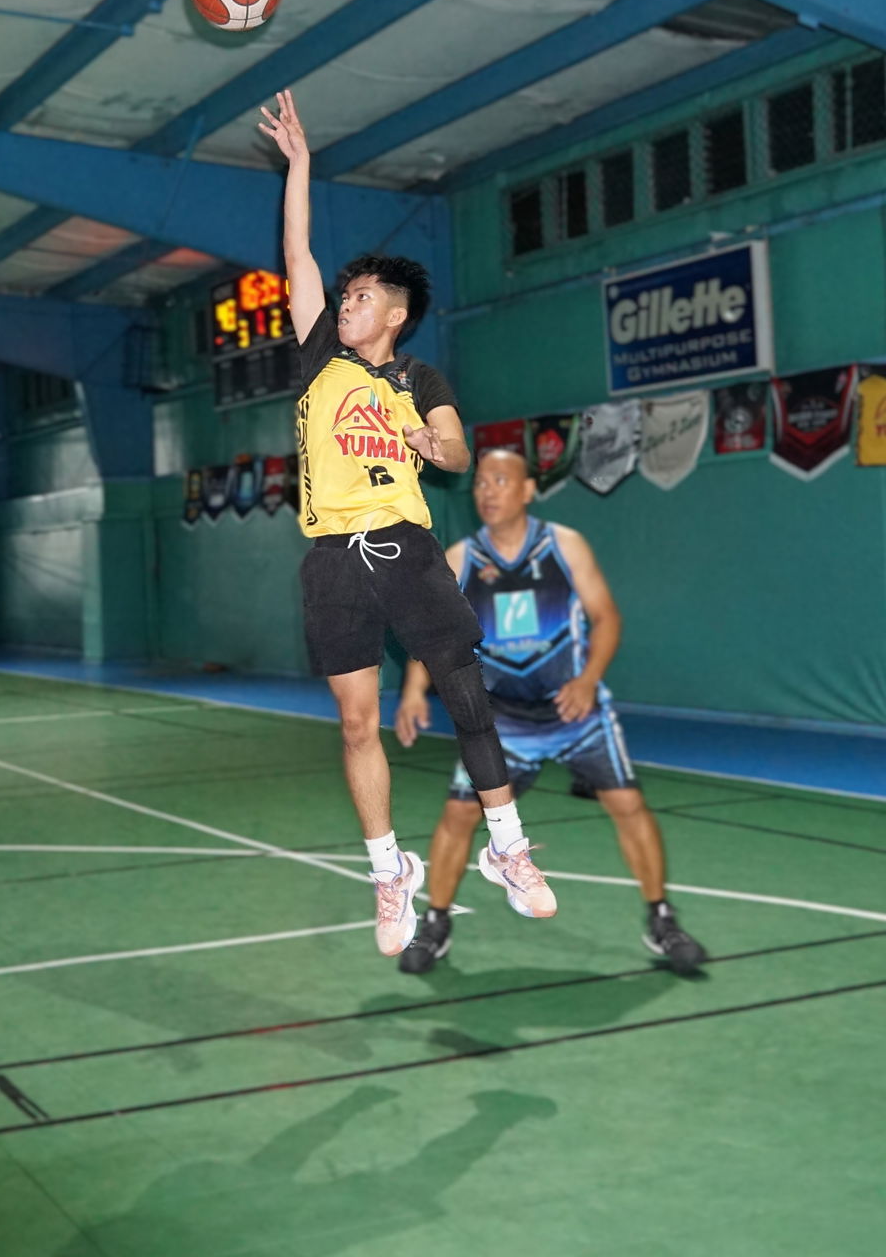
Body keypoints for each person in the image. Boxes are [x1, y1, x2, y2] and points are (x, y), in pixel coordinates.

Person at [258, 90, 555, 957]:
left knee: (466, 695)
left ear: (393, 315)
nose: (344, 301)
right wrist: (302, 164)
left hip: (405, 546)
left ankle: (509, 852)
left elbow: (458, 454)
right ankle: (389, 871)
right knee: (357, 721)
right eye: (341, 294)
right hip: (331, 561)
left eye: (359, 297)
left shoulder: (419, 379)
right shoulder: (319, 357)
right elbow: (296, 250)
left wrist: (434, 441)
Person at [394, 448, 707, 975]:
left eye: (500, 480)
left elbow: (606, 618)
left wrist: (587, 681)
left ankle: (662, 919)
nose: (488, 491)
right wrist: (411, 692)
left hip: (575, 712)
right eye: (480, 484)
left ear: (526, 490)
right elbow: (431, 635)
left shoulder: (564, 546)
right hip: (504, 722)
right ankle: (435, 924)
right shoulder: (461, 559)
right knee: (459, 816)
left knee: (628, 805)